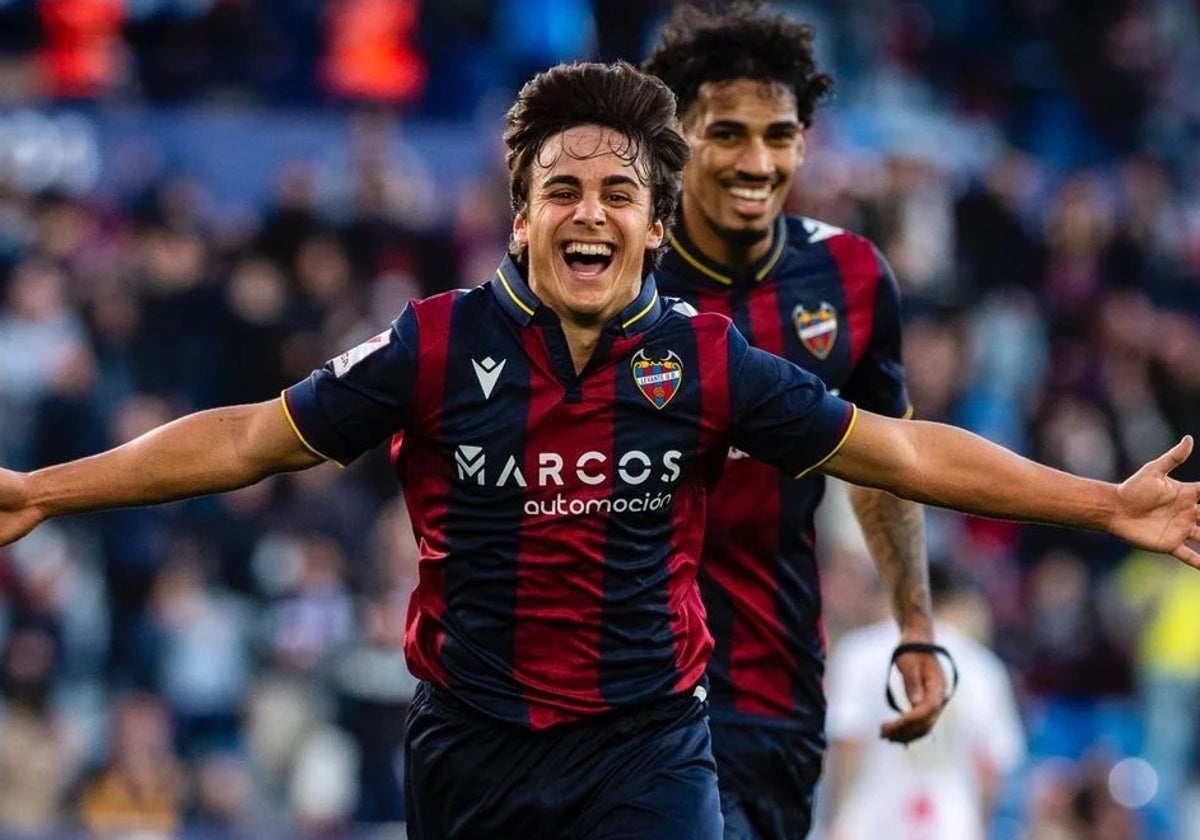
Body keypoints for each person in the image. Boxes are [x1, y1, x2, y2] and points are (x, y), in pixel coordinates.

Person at [0, 60, 1197, 840]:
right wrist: (45, 492)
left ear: (652, 222)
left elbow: (903, 455)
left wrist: (1102, 505)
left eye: (618, 193)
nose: (589, 212)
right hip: (471, 748)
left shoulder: (707, 360)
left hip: (646, 749)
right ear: (519, 214)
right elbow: (255, 439)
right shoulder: (432, 346)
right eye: (560, 189)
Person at [642, 4, 941, 837]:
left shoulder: (850, 274)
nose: (757, 160)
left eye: (779, 134)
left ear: (806, 139)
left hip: (778, 682)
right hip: (634, 684)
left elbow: (888, 466)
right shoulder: (620, 275)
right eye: (727, 133)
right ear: (679, 140)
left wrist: (914, 627)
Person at [821, 562, 1026, 840]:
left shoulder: (861, 651)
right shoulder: (983, 668)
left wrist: (837, 818)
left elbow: (848, 742)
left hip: (869, 824)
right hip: (952, 827)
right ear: (959, 602)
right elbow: (992, 768)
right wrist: (979, 825)